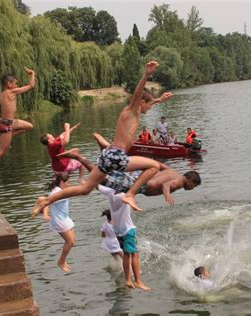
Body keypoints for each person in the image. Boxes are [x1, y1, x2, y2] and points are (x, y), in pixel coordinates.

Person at [32, 61, 173, 217]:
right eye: (150, 105)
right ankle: (130, 194)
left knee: (85, 189)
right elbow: (138, 94)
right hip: (117, 156)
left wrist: (159, 100)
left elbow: (145, 101)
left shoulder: (134, 113)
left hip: (107, 156)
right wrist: (146, 74)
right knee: (154, 166)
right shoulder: (132, 109)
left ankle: (45, 201)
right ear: (141, 103)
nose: (151, 108)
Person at [57, 136, 201, 206]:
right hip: (139, 183)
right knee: (103, 178)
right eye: (194, 186)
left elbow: (157, 164)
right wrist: (167, 195)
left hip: (139, 176)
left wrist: (144, 166)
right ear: (189, 180)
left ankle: (106, 148)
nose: (192, 188)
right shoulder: (179, 182)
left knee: (109, 170)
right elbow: (166, 185)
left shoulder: (173, 171)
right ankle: (78, 157)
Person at [0, 68, 35, 186]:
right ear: (9, 84)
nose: (17, 85)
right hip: (7, 124)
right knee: (2, 152)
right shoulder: (10, 92)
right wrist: (32, 74)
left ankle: (11, 137)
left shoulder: (3, 93)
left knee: (29, 126)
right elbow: (31, 85)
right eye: (15, 83)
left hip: (10, 122)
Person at [98, 185, 150, 291]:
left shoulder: (110, 192)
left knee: (126, 254)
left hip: (118, 232)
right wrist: (134, 205)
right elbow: (126, 198)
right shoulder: (123, 195)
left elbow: (97, 185)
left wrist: (83, 180)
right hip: (128, 230)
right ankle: (138, 281)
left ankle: (127, 279)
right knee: (134, 254)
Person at [41, 173, 76, 273]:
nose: (69, 184)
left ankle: (63, 261)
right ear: (61, 182)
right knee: (70, 242)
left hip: (65, 218)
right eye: (67, 182)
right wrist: (45, 214)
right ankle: (61, 261)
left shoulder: (59, 190)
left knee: (73, 240)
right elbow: (46, 201)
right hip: (59, 220)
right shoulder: (57, 192)